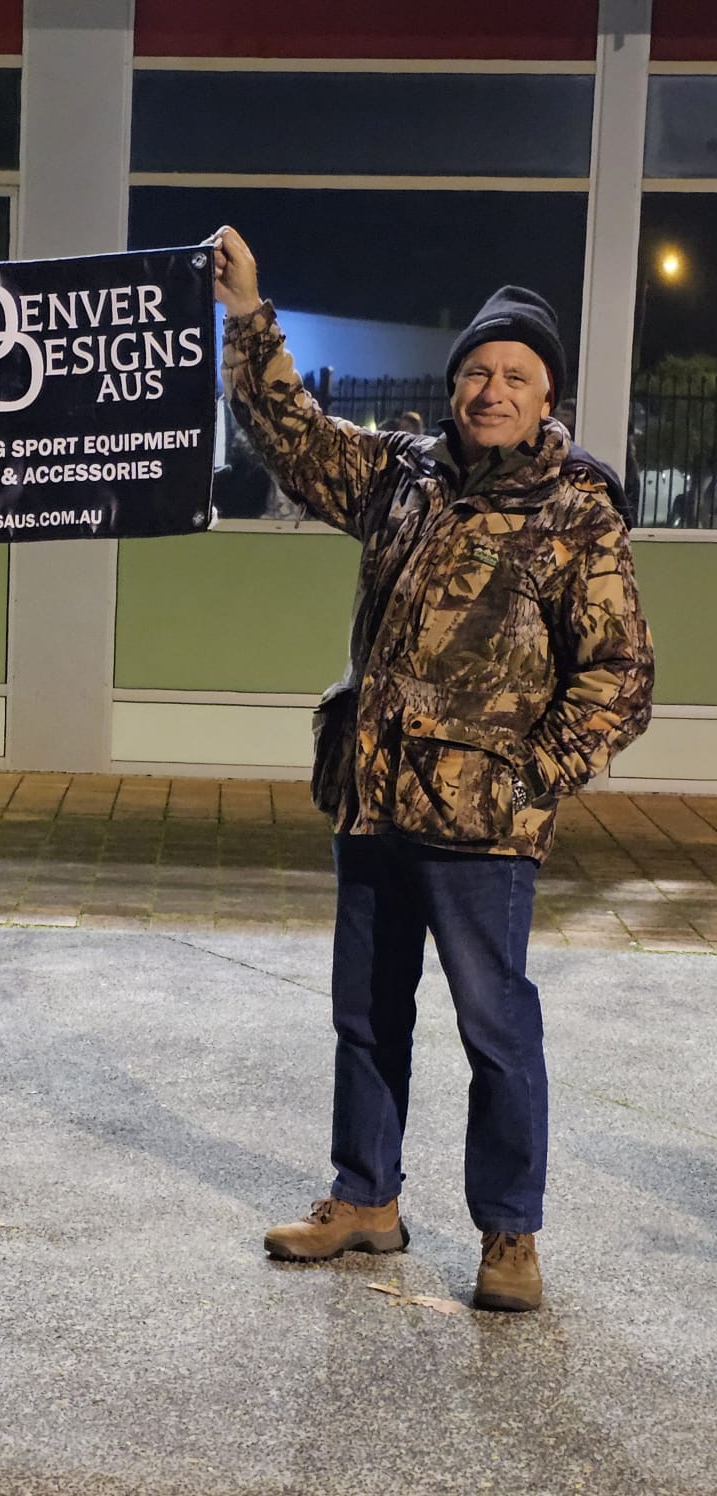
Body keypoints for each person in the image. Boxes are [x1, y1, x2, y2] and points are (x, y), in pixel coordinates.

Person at [210, 225, 654, 1312]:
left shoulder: (575, 512)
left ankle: (508, 1234)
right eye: (475, 371)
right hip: (373, 801)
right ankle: (364, 1197)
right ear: (453, 382)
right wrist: (246, 314)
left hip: (481, 824)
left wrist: (528, 777)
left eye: (512, 376)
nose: (488, 389)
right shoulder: (399, 477)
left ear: (543, 397)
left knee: (493, 1026)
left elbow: (620, 675)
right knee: (364, 1012)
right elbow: (292, 435)